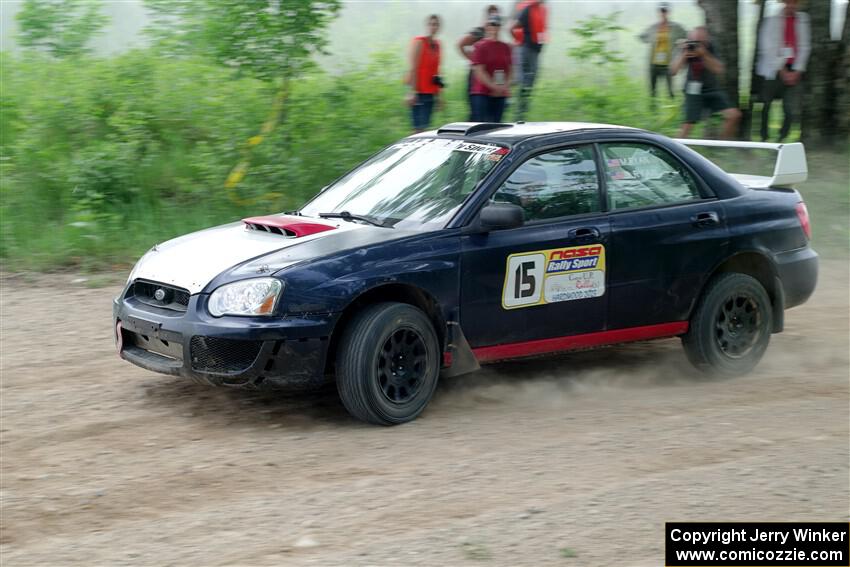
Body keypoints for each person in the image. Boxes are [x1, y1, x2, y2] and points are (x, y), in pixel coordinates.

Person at [670, 27, 741, 139]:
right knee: (688, 124)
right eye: (694, 41)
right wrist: (683, 54)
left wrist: (703, 54)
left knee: (734, 115)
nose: (696, 44)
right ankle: (674, 150)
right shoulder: (685, 47)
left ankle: (721, 147)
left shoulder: (712, 46)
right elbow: (673, 71)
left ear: (707, 39)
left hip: (712, 88)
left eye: (700, 42)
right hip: (692, 90)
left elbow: (718, 69)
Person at [756, 0, 811, 142]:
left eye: (795, 3)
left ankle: (782, 137)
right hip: (774, 68)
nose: (792, 6)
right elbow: (766, 47)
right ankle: (763, 137)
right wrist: (782, 70)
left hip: (794, 68)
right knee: (766, 104)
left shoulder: (803, 20)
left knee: (790, 107)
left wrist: (797, 71)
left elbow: (805, 46)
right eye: (789, 2)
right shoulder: (772, 20)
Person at [458, 5, 501, 119]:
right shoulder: (479, 31)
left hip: (492, 77)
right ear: (486, 17)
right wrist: (473, 60)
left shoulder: (497, 36)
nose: (494, 18)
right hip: (476, 78)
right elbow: (461, 43)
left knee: (490, 113)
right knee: (476, 114)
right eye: (492, 15)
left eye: (496, 15)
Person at [470, 14, 513, 122]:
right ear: (487, 26)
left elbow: (509, 69)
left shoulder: (505, 47)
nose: (494, 27)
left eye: (497, 24)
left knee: (497, 127)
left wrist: (504, 87)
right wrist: (493, 86)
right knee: (482, 128)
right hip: (482, 93)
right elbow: (479, 70)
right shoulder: (480, 46)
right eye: (492, 24)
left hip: (499, 93)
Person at [639, 3, 686, 101]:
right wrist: (648, 39)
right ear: (658, 12)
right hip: (653, 64)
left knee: (670, 92)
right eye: (661, 11)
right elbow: (642, 37)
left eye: (665, 11)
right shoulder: (653, 27)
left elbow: (686, 36)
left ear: (668, 12)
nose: (663, 13)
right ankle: (653, 114)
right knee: (652, 91)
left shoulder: (676, 27)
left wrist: (680, 45)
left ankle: (672, 112)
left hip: (669, 64)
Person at [510, 0, 547, 121]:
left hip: (534, 50)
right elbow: (512, 27)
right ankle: (518, 112)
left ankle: (521, 111)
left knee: (528, 81)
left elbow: (541, 30)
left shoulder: (540, 9)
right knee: (525, 81)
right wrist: (518, 42)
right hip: (526, 48)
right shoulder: (528, 9)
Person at [406, 15, 443, 133]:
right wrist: (411, 92)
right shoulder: (419, 42)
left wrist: (439, 96)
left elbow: (436, 71)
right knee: (417, 131)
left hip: (430, 93)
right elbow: (413, 67)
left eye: (436, 24)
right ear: (427, 26)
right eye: (431, 24)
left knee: (425, 130)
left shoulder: (437, 45)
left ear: (439, 27)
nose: (433, 27)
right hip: (418, 92)